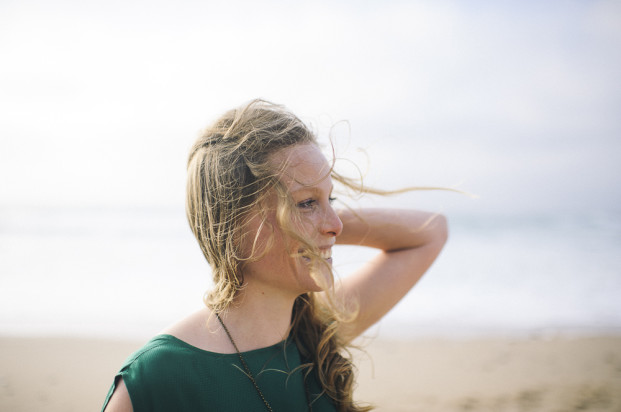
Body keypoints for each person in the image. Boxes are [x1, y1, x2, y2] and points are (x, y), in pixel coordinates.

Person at [102, 99, 448, 412]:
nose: (337, 225)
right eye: (306, 202)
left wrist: (312, 225)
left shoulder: (317, 334)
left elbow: (431, 231)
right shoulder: (157, 379)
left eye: (332, 200)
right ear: (233, 221)